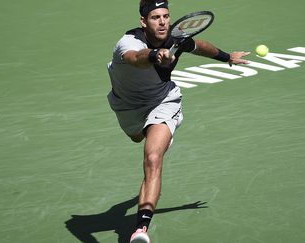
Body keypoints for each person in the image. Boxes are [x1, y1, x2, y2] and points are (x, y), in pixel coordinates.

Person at [106, 0, 250, 242]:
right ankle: (154, 134)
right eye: (155, 17)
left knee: (152, 157)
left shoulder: (177, 39)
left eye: (166, 16)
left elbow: (200, 46)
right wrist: (154, 56)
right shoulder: (128, 42)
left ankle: (141, 229)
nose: (162, 22)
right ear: (143, 21)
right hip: (127, 106)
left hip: (163, 101)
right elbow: (135, 58)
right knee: (136, 137)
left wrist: (227, 57)